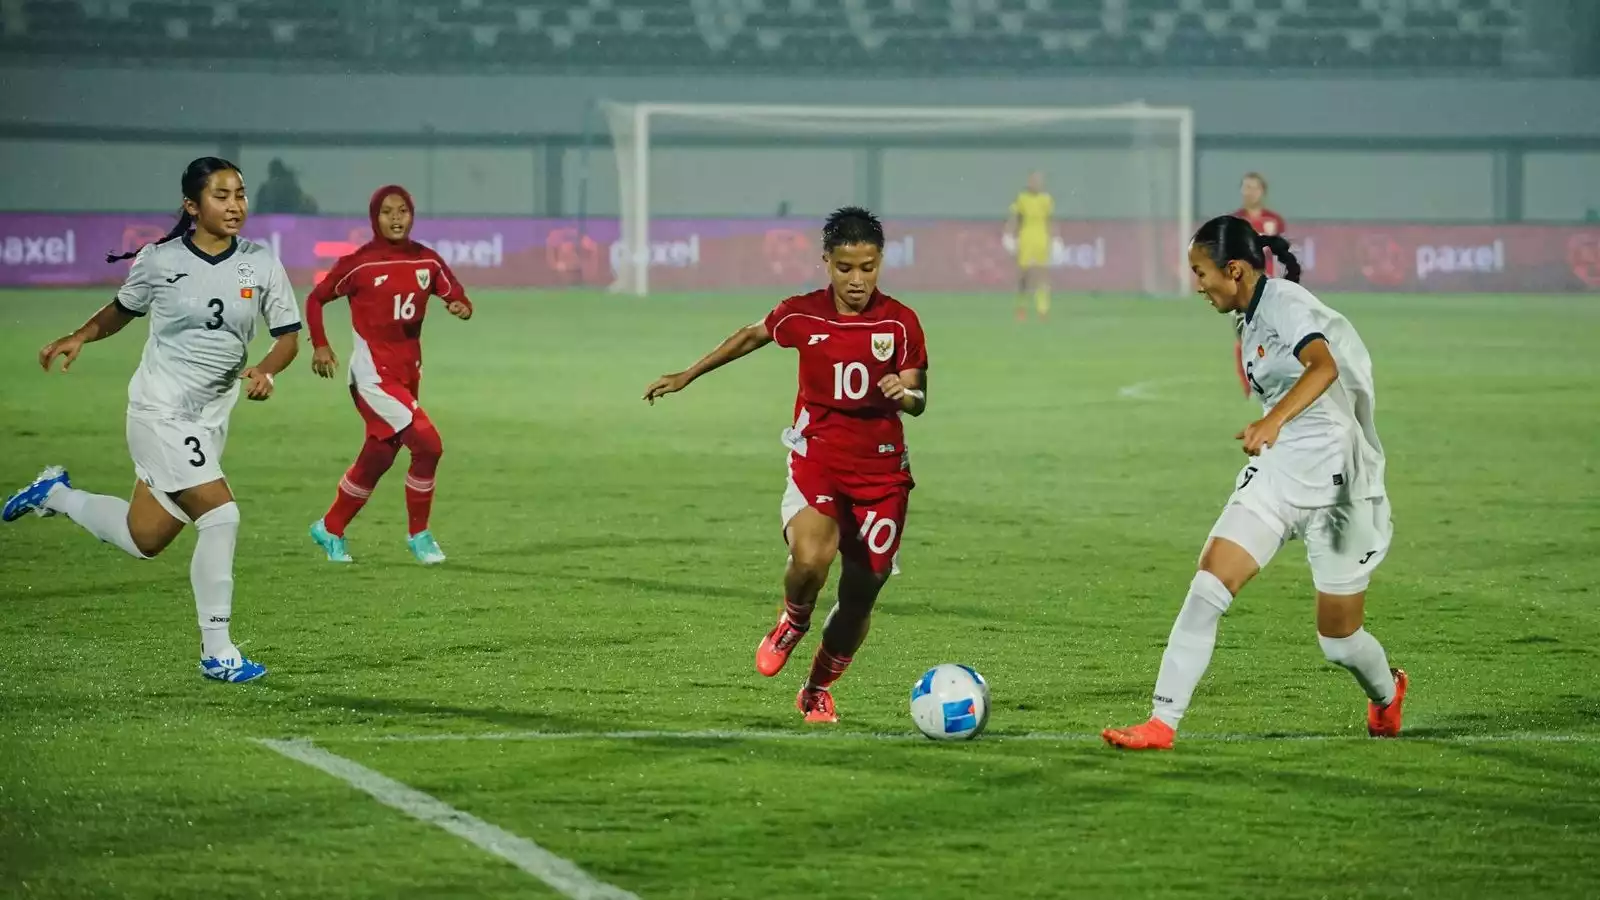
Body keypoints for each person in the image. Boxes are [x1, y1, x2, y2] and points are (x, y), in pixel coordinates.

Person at [1102, 214, 1404, 751]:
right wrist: (1276, 431)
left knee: (1339, 642)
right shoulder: (1249, 318)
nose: (1196, 284)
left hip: (1341, 488)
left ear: (1234, 270)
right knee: (1206, 589)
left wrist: (1272, 419)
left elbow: (1323, 366)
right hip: (1278, 474)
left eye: (1201, 273)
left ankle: (1387, 694)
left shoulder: (1287, 304)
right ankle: (1160, 723)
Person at [2, 156, 301, 683]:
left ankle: (55, 495)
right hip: (159, 410)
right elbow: (122, 309)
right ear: (192, 205)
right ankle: (217, 651)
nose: (235, 206)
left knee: (145, 539)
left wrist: (268, 370)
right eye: (221, 196)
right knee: (222, 516)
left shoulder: (261, 262)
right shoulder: (159, 261)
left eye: (240, 195)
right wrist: (80, 335)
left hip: (209, 420)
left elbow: (288, 336)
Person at [643, 207, 929, 724]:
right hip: (818, 457)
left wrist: (903, 394)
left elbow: (919, 396)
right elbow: (753, 334)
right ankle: (793, 619)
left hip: (882, 475)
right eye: (845, 267)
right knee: (810, 561)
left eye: (868, 267)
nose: (857, 279)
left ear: (881, 261)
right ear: (826, 262)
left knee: (860, 596)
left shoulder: (900, 321)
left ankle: (816, 688)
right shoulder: (801, 313)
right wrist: (690, 374)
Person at [305, 185, 473, 565]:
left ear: (412, 215)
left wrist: (461, 305)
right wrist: (319, 344)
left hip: (407, 374)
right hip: (372, 378)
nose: (396, 218)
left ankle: (329, 528)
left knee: (378, 457)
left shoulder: (427, 261)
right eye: (387, 212)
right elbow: (316, 298)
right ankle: (420, 536)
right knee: (429, 445)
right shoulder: (359, 264)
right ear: (374, 219)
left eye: (402, 211)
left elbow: (455, 293)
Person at [1230, 173, 1287, 397]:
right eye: (1245, 187)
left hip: (1269, 287)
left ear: (1262, 191)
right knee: (1245, 336)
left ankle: (1268, 379)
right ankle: (1249, 385)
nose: (1249, 192)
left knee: (1274, 335)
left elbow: (1282, 253)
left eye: (1254, 187)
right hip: (1242, 288)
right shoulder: (1234, 221)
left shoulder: (1274, 221)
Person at [1002, 171, 1053, 322]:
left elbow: (1051, 221)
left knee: (1042, 275)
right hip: (1026, 238)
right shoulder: (1022, 198)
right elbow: (1014, 218)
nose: (1036, 184)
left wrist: (1056, 238)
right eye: (1033, 181)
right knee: (1024, 275)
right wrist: (1008, 234)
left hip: (1042, 239)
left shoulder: (1046, 200)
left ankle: (1043, 310)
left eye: (1038, 181)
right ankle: (1021, 307)